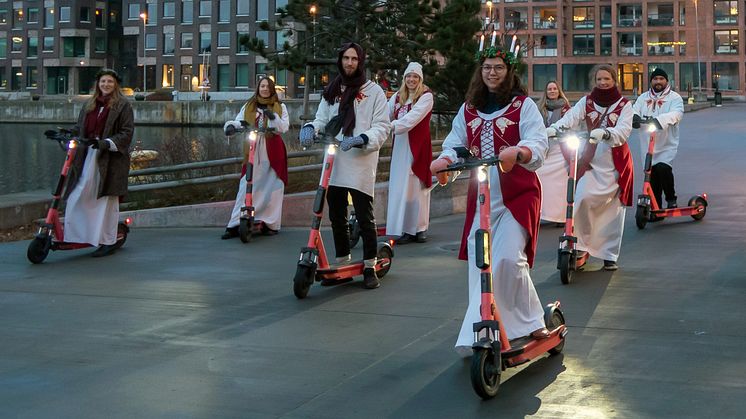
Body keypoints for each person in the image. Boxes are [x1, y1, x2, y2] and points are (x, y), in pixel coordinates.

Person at [429, 45, 550, 357]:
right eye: (487, 68)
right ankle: (510, 322)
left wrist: (519, 152)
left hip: (517, 193)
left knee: (508, 260)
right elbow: (456, 143)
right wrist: (445, 161)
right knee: (482, 265)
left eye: (498, 67)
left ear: (508, 71)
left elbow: (538, 142)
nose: (492, 72)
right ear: (480, 73)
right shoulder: (469, 108)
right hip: (482, 195)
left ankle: (522, 322)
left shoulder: (523, 106)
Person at [299, 42, 391, 289]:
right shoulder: (332, 90)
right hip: (335, 160)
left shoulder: (374, 92)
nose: (349, 63)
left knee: (363, 215)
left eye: (354, 59)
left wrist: (362, 138)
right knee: (336, 214)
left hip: (360, 160)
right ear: (340, 60)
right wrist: (310, 128)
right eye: (346, 58)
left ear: (360, 62)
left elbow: (382, 126)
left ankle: (370, 265)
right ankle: (342, 261)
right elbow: (321, 118)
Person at [547, 64, 634, 271]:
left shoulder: (624, 105)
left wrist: (606, 133)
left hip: (615, 166)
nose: (603, 82)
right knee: (581, 200)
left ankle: (609, 254)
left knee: (613, 212)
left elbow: (624, 130)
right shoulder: (587, 102)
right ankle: (580, 244)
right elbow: (570, 118)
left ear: (614, 80)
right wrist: (554, 128)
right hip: (591, 163)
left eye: (607, 79)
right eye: (599, 79)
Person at [64, 69, 134, 257]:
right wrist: (67, 133)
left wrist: (104, 143)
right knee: (77, 195)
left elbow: (126, 133)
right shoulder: (90, 104)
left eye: (110, 82)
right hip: (87, 156)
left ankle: (108, 240)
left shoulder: (123, 106)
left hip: (109, 159)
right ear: (98, 84)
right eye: (103, 81)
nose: (106, 85)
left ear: (115, 85)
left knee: (106, 201)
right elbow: (81, 128)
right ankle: (80, 235)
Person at [221, 77, 289, 239]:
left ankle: (270, 223)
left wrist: (272, 116)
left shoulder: (280, 107)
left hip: (273, 150)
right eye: (262, 86)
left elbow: (283, 127)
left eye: (268, 86)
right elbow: (240, 121)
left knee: (273, 188)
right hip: (253, 147)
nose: (265, 89)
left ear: (272, 89)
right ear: (258, 88)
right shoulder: (249, 105)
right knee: (246, 184)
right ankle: (234, 224)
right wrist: (231, 126)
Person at [385, 62, 434, 244]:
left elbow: (411, 119)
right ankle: (404, 228)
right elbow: (385, 114)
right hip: (400, 147)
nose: (411, 80)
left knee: (417, 186)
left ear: (420, 79)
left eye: (415, 77)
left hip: (417, 146)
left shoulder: (426, 97)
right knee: (401, 186)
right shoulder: (398, 97)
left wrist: (389, 126)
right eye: (408, 76)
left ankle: (420, 228)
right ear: (404, 79)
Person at [632, 68, 684, 209]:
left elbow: (677, 113)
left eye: (661, 79)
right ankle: (656, 207)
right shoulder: (643, 98)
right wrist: (634, 117)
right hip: (648, 144)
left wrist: (659, 120)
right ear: (651, 81)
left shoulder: (675, 98)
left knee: (663, 169)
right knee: (652, 175)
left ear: (666, 81)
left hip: (666, 142)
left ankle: (671, 198)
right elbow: (634, 110)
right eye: (655, 79)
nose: (658, 81)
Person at [535, 81, 571, 224]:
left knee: (560, 184)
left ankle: (560, 217)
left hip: (560, 149)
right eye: (549, 89)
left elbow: (571, 125)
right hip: (544, 149)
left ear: (559, 91)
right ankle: (541, 213)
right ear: (546, 92)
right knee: (540, 179)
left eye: (555, 88)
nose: (552, 91)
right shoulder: (539, 108)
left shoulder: (566, 109)